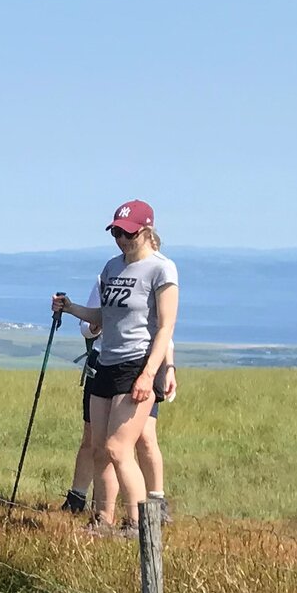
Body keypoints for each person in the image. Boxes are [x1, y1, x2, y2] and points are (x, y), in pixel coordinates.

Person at [52, 200, 180, 533]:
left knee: (118, 448)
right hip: (106, 362)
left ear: (147, 231)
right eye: (116, 233)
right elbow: (104, 317)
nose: (122, 240)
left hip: (136, 365)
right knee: (99, 449)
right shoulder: (111, 267)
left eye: (128, 233)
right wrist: (71, 308)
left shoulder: (162, 269)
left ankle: (138, 523)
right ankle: (102, 520)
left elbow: (166, 327)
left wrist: (150, 374)